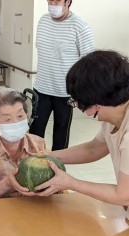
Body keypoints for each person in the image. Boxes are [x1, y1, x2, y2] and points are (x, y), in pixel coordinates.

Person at [30, 50, 129, 207]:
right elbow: (93, 149)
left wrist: (70, 183)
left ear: (98, 104)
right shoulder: (114, 116)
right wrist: (48, 156)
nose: (76, 106)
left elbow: (124, 196)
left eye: (77, 103)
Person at [29, 0, 95, 150]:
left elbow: (89, 64)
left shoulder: (80, 26)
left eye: (56, 0)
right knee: (34, 133)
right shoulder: (43, 21)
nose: (52, 3)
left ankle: (58, 168)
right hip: (41, 90)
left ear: (68, 2)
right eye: (49, 0)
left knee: (61, 135)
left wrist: (80, 92)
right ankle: (32, 167)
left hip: (65, 94)